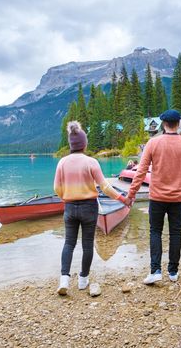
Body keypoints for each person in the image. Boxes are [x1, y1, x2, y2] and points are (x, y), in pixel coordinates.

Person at [124, 109, 181, 284]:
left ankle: (155, 270)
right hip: (178, 199)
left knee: (155, 231)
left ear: (163, 124)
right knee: (175, 233)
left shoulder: (153, 143)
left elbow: (140, 172)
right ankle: (173, 272)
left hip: (157, 198)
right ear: (178, 124)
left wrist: (131, 194)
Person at [54, 121, 126, 295]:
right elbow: (106, 187)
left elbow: (56, 187)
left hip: (70, 207)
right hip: (89, 207)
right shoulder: (91, 162)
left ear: (71, 144)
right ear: (84, 144)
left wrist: (65, 197)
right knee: (87, 244)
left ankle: (64, 278)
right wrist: (122, 198)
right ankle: (83, 279)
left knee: (69, 243)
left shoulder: (62, 162)